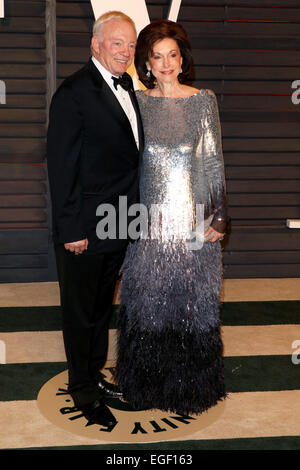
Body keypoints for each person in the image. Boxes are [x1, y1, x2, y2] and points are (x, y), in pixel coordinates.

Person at [115, 19, 227, 415]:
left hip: (192, 226)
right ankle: (145, 387)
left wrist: (219, 218)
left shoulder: (202, 101)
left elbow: (212, 163)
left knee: (192, 306)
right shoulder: (138, 104)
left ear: (182, 60)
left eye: (172, 55)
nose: (165, 64)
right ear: (145, 63)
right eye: (156, 56)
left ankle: (191, 390)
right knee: (147, 304)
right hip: (148, 227)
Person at [47, 11, 143, 426]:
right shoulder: (73, 92)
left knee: (102, 308)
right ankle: (82, 391)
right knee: (80, 311)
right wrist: (71, 229)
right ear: (96, 44)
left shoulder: (130, 88)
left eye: (131, 44)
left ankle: (94, 374)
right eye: (117, 42)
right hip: (84, 228)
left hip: (119, 222)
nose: (125, 51)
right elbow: (61, 167)